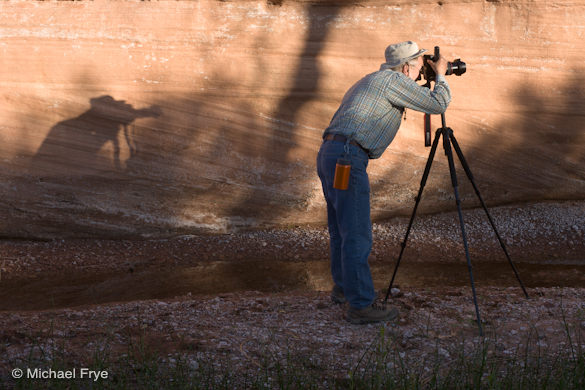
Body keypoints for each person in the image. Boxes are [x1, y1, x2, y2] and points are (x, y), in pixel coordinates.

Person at [316, 41, 451, 324]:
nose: (418, 71)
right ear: (405, 67)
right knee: (356, 234)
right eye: (416, 66)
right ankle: (361, 306)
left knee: (342, 231)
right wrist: (439, 75)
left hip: (331, 154)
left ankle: (343, 290)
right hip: (347, 157)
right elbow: (438, 104)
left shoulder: (370, 80)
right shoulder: (393, 80)